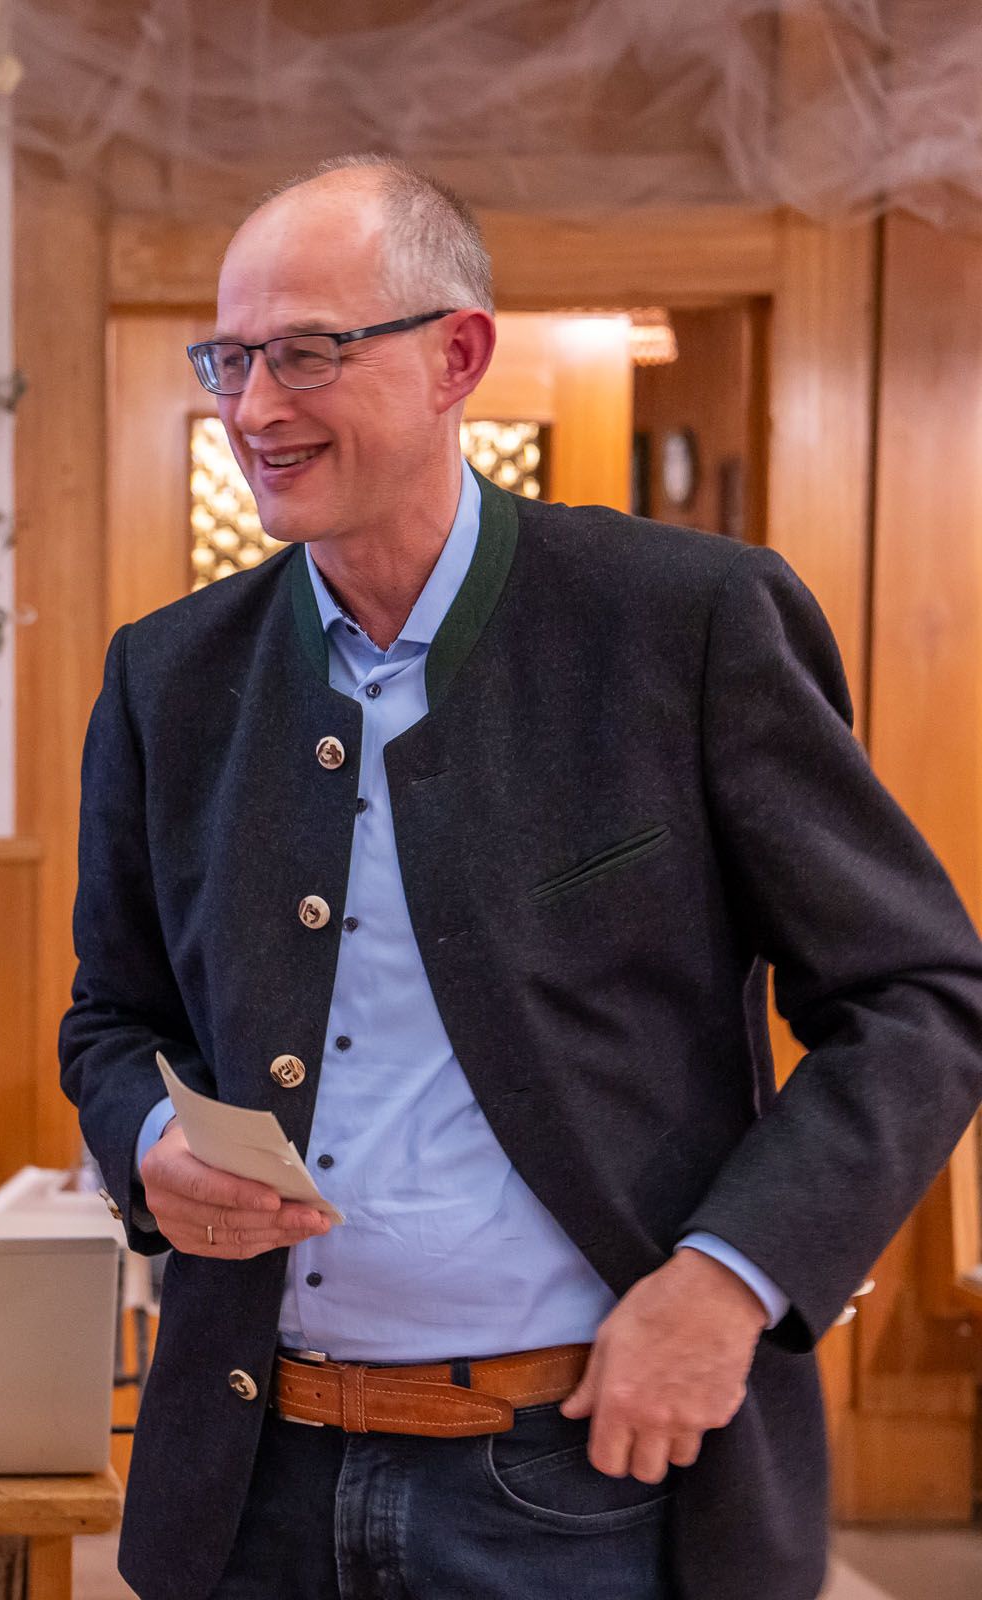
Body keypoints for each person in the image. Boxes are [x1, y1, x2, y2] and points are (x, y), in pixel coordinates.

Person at [60, 154, 982, 1600]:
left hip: (583, 1485)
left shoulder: (687, 622)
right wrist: (151, 1145)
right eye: (229, 359)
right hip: (254, 1491)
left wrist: (731, 1279)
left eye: (306, 353)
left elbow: (918, 998)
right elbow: (112, 1018)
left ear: (458, 357)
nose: (252, 408)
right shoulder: (167, 676)